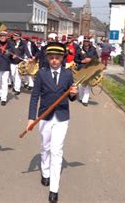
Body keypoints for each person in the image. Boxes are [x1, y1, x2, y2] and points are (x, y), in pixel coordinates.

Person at [25, 42, 78, 203]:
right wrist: (31, 118)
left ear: (63, 58)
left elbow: (72, 96)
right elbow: (35, 97)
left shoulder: (68, 74)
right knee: (46, 147)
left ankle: (54, 188)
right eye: (51, 57)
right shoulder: (41, 74)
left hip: (62, 117)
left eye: (58, 57)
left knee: (56, 151)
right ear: (47, 58)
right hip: (44, 117)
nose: (54, 60)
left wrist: (74, 93)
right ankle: (45, 171)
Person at [74, 36, 98, 106]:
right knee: (81, 85)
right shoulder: (79, 49)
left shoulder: (93, 49)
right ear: (83, 42)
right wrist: (82, 61)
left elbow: (96, 58)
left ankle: (85, 100)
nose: (86, 42)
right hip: (81, 68)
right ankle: (81, 97)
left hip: (90, 68)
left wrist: (91, 60)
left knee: (88, 85)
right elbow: (75, 59)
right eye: (85, 41)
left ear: (89, 42)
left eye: (87, 41)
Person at [10, 31, 25, 95]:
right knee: (13, 75)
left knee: (18, 76)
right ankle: (15, 86)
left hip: (19, 62)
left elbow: (26, 51)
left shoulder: (23, 43)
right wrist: (11, 55)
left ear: (19, 37)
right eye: (13, 35)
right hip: (12, 61)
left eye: (15, 35)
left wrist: (30, 57)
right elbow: (9, 50)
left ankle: (17, 89)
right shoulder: (11, 42)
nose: (13, 36)